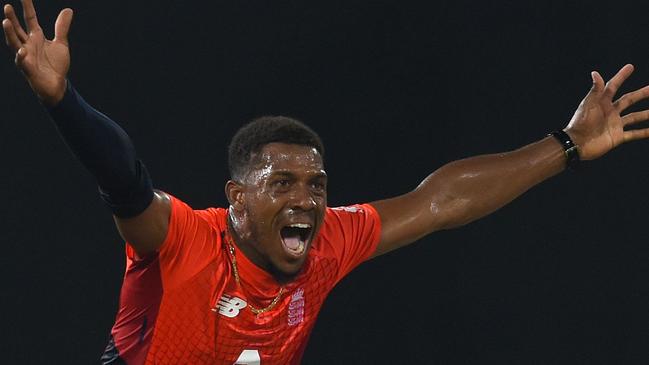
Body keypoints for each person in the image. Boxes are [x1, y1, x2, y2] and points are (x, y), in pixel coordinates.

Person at [4, 0, 649, 364]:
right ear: (236, 198)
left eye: (315, 185)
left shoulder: (327, 243)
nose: (306, 200)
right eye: (281, 183)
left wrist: (565, 145)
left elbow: (439, 201)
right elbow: (124, 180)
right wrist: (64, 103)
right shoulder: (183, 243)